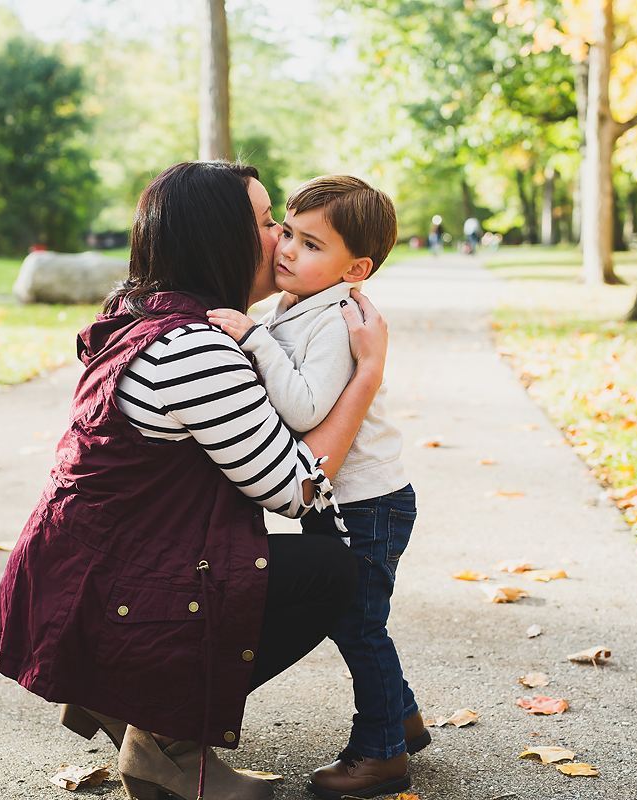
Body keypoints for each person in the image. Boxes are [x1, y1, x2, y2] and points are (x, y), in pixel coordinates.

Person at [0, 161, 389, 800]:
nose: (281, 236)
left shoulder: (146, 312)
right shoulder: (196, 349)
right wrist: (367, 374)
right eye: (266, 222)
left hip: (78, 581)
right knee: (328, 571)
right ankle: (163, 743)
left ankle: (120, 699)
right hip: (103, 600)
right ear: (219, 238)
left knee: (280, 562)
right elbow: (297, 488)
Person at [208, 175, 424, 800]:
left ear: (355, 267)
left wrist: (251, 342)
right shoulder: (295, 304)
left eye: (309, 243)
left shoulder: (335, 318)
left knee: (358, 623)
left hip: (367, 502)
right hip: (343, 498)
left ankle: (381, 750)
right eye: (289, 233)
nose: (286, 250)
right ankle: (401, 716)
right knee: (354, 615)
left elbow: (304, 410)